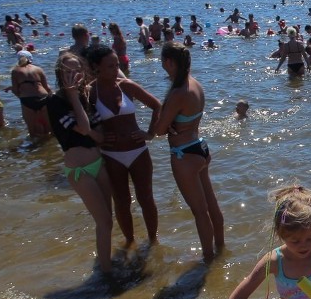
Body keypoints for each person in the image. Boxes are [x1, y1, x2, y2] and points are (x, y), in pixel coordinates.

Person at [153, 42, 224, 261]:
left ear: (169, 62)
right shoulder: (196, 85)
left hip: (183, 154)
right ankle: (221, 249)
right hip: (200, 148)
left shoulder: (178, 92)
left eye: (163, 61)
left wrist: (162, 116)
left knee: (199, 212)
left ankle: (208, 259)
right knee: (211, 205)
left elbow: (159, 131)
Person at [45, 52, 114, 274]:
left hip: (99, 164)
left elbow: (101, 137)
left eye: (76, 69)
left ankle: (105, 264)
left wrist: (80, 104)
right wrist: (73, 96)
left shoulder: (87, 98)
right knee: (103, 222)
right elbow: (84, 129)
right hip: (80, 170)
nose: (73, 74)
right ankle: (106, 274)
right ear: (59, 74)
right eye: (67, 70)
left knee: (108, 222)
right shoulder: (55, 102)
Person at [86, 45, 161, 248]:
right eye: (110, 66)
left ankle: (153, 241)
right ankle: (130, 242)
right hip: (111, 155)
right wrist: (98, 138)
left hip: (138, 152)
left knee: (146, 198)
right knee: (122, 202)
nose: (115, 69)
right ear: (96, 67)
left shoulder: (126, 85)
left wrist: (150, 133)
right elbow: (83, 123)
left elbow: (157, 106)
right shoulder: (90, 92)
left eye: (116, 64)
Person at [10, 51, 51, 137]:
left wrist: (21, 96)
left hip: (27, 99)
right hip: (43, 97)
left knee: (32, 131)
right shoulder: (38, 69)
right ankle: (51, 147)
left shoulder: (15, 70)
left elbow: (15, 90)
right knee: (49, 129)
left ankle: (34, 148)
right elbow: (47, 88)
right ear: (30, 59)